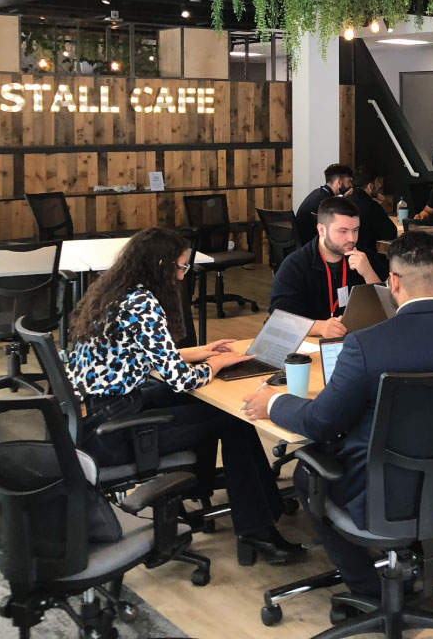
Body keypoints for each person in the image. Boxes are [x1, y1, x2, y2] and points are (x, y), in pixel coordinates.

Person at [243, 232, 433, 600]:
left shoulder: (366, 345)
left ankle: (368, 590)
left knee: (307, 473)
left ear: (393, 282)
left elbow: (321, 422)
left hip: (380, 493)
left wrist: (274, 402)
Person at [65, 227, 304, 566]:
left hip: (92, 417)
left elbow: (140, 355)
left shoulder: (114, 291)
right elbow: (179, 379)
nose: (181, 276)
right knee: (232, 418)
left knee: (204, 404)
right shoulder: (142, 304)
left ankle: (200, 489)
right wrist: (216, 363)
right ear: (160, 266)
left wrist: (201, 352)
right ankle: (256, 529)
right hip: (112, 432)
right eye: (180, 267)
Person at [270, 198, 381, 338]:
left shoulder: (365, 258)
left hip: (358, 340)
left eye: (355, 230)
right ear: (322, 230)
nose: (351, 238)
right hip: (312, 343)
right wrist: (319, 327)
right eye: (343, 231)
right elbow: (280, 320)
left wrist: (368, 273)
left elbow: (386, 311)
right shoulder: (295, 266)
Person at [346, 163, 397, 257]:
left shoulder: (345, 201)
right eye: (377, 182)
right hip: (366, 257)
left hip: (344, 255)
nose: (380, 185)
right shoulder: (371, 206)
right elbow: (391, 233)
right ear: (370, 186)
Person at [295, 163, 353, 245]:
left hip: (303, 243)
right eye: (349, 181)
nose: (350, 185)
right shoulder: (327, 201)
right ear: (339, 182)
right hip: (313, 245)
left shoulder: (317, 193)